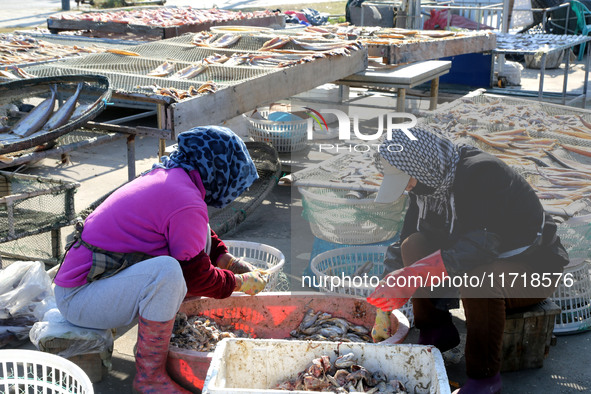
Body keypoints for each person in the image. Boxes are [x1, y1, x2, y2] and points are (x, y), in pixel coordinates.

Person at [53, 126, 269, 394]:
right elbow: (195, 276)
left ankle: (169, 330)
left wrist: (227, 261)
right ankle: (149, 377)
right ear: (218, 168)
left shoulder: (176, 178)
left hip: (96, 287)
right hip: (79, 300)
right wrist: (238, 282)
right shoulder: (185, 199)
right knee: (167, 273)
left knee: (186, 251)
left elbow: (197, 233)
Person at [367, 126, 569, 394]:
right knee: (413, 244)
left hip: (531, 268)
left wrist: (411, 277)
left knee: (478, 280)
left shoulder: (483, 173)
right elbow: (406, 238)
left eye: (407, 180)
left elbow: (480, 247)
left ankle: (485, 379)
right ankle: (436, 330)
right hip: (477, 259)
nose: (407, 188)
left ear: (422, 165)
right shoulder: (428, 185)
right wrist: (388, 285)